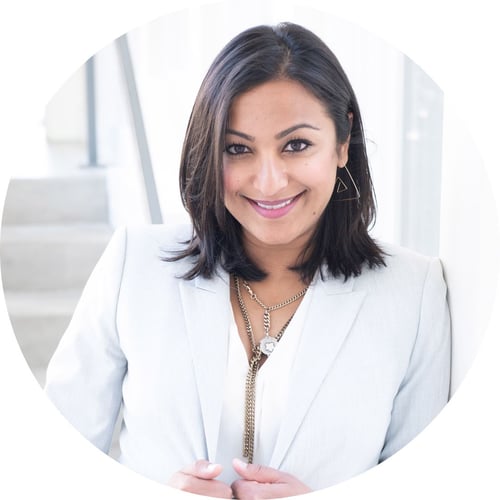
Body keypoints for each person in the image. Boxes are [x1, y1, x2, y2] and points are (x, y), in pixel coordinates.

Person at [45, 22, 451, 498]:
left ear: (342, 143)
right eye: (237, 149)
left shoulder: (415, 292)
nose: (268, 181)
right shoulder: (134, 265)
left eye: (296, 145)